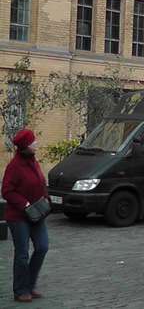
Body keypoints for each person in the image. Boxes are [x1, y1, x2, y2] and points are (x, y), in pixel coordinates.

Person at [2, 129, 49, 303]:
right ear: (26, 146)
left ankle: (30, 283)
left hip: (37, 214)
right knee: (22, 254)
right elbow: (6, 191)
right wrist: (25, 204)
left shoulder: (33, 162)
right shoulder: (14, 166)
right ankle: (21, 290)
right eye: (33, 142)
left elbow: (40, 183)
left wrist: (46, 198)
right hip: (18, 216)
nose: (36, 144)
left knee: (42, 246)